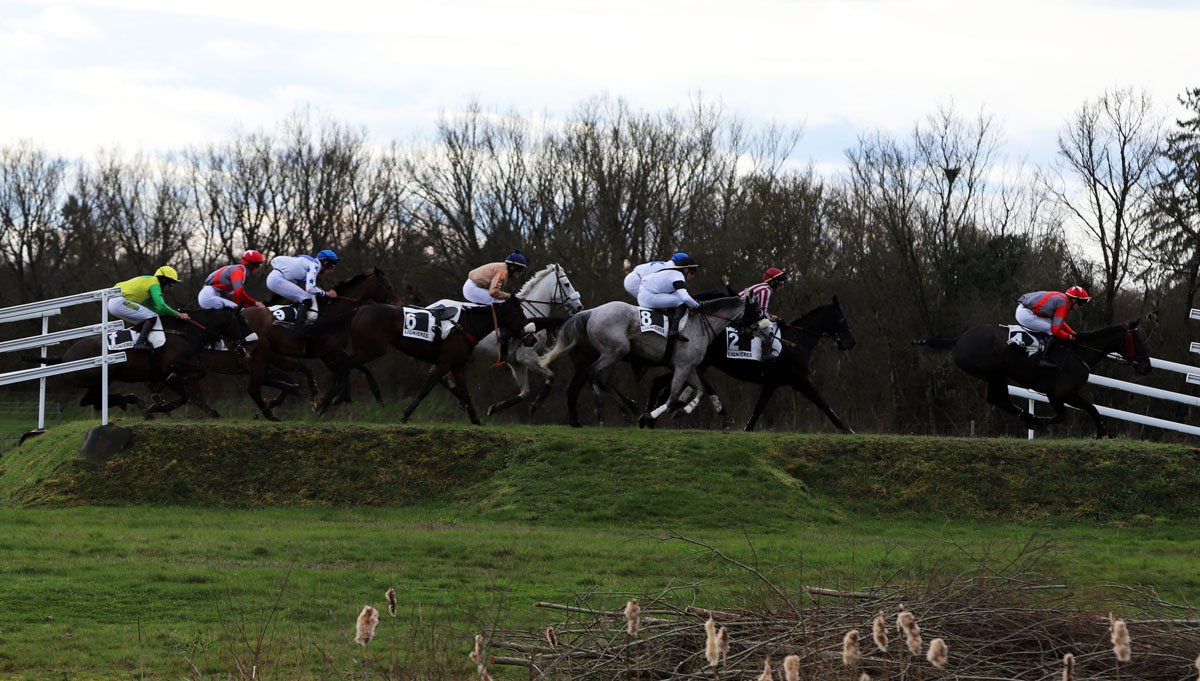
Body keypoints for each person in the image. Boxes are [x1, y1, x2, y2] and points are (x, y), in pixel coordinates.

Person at [109, 266, 191, 350]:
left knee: (148, 319)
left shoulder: (148, 284)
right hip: (119, 302)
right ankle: (140, 342)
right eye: (170, 285)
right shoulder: (154, 284)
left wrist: (171, 315)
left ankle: (142, 340)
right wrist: (178, 314)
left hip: (114, 302)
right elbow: (162, 306)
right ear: (164, 281)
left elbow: (156, 309)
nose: (171, 289)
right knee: (152, 317)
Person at [1015, 285, 1091, 368]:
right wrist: (1070, 337)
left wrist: (1072, 332)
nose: (1081, 307)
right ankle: (1043, 359)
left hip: (1026, 310)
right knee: (1051, 330)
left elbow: (1059, 321)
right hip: (1025, 314)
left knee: (1053, 327)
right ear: (1073, 300)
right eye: (1080, 304)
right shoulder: (1064, 304)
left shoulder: (1063, 299)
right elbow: (1056, 330)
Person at [638, 255, 702, 343]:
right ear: (686, 270)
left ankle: (669, 322)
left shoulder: (672, 272)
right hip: (648, 297)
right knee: (682, 302)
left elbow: (679, 295)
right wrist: (698, 306)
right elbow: (685, 298)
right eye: (692, 272)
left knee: (678, 299)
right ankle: (673, 331)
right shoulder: (678, 276)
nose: (693, 276)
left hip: (644, 294)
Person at [266, 249, 340, 322]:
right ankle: (299, 327)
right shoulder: (315, 266)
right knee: (306, 299)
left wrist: (319, 290)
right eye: (332, 266)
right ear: (325, 262)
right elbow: (310, 288)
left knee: (300, 299)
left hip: (276, 278)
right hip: (277, 280)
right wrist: (326, 294)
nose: (332, 271)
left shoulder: (309, 260)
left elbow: (307, 285)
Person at [739, 267, 788, 360]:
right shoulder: (766, 291)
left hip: (741, 310)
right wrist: (776, 319)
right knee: (768, 329)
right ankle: (765, 356)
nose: (782, 287)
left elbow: (761, 311)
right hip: (740, 313)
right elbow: (761, 315)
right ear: (773, 282)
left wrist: (773, 317)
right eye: (780, 284)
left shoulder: (764, 287)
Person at [198, 250, 267, 310]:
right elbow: (239, 292)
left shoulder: (240, 270)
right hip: (209, 297)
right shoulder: (238, 271)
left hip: (210, 296)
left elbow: (237, 298)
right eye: (258, 265)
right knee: (240, 313)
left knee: (240, 311)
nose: (259, 268)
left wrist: (252, 306)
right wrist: (255, 303)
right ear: (250, 265)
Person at [463, 250, 528, 305]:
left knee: (502, 301)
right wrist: (510, 296)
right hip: (472, 289)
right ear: (512, 267)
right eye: (520, 270)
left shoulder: (503, 269)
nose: (521, 273)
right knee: (500, 302)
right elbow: (494, 292)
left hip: (474, 287)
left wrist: (510, 297)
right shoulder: (502, 272)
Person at [623, 252, 691, 300]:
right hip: (636, 281)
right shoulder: (672, 269)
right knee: (650, 300)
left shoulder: (667, 264)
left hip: (633, 277)